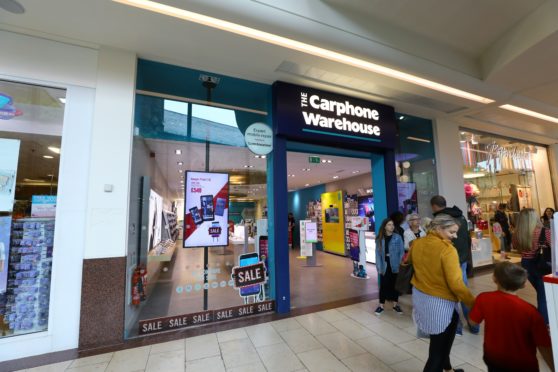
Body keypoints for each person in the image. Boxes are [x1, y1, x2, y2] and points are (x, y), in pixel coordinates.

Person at [408, 214, 475, 372]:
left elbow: (407, 262)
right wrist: (473, 303)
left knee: (439, 341)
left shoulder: (417, 243)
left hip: (421, 297)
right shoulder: (447, 250)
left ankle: (448, 368)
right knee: (437, 352)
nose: (455, 236)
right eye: (452, 232)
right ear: (438, 228)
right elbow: (456, 284)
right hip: (441, 303)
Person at [469, 262, 553, 372]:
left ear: (494, 278)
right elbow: (544, 346)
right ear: (523, 284)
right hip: (522, 363)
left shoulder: (483, 298)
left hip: (493, 357)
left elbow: (473, 322)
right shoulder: (530, 312)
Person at [430, 195, 478, 335]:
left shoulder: (440, 220)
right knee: (463, 289)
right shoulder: (460, 216)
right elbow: (467, 238)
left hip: (448, 259)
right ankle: (473, 323)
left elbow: (437, 243)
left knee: (450, 293)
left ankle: (456, 326)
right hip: (461, 258)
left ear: (433, 206)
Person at [513, 208, 551, 324]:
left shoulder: (517, 234)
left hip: (525, 263)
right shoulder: (544, 231)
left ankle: (543, 321)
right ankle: (543, 323)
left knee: (541, 293)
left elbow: (516, 247)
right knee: (543, 296)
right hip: (541, 264)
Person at [375, 218, 405, 315]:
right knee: (383, 285)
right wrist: (379, 267)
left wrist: (400, 263)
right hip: (385, 264)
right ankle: (381, 306)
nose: (391, 227)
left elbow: (401, 252)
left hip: (395, 264)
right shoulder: (380, 238)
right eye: (389, 225)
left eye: (392, 225)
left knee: (395, 285)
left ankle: (395, 305)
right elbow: (378, 254)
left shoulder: (398, 237)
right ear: (384, 226)